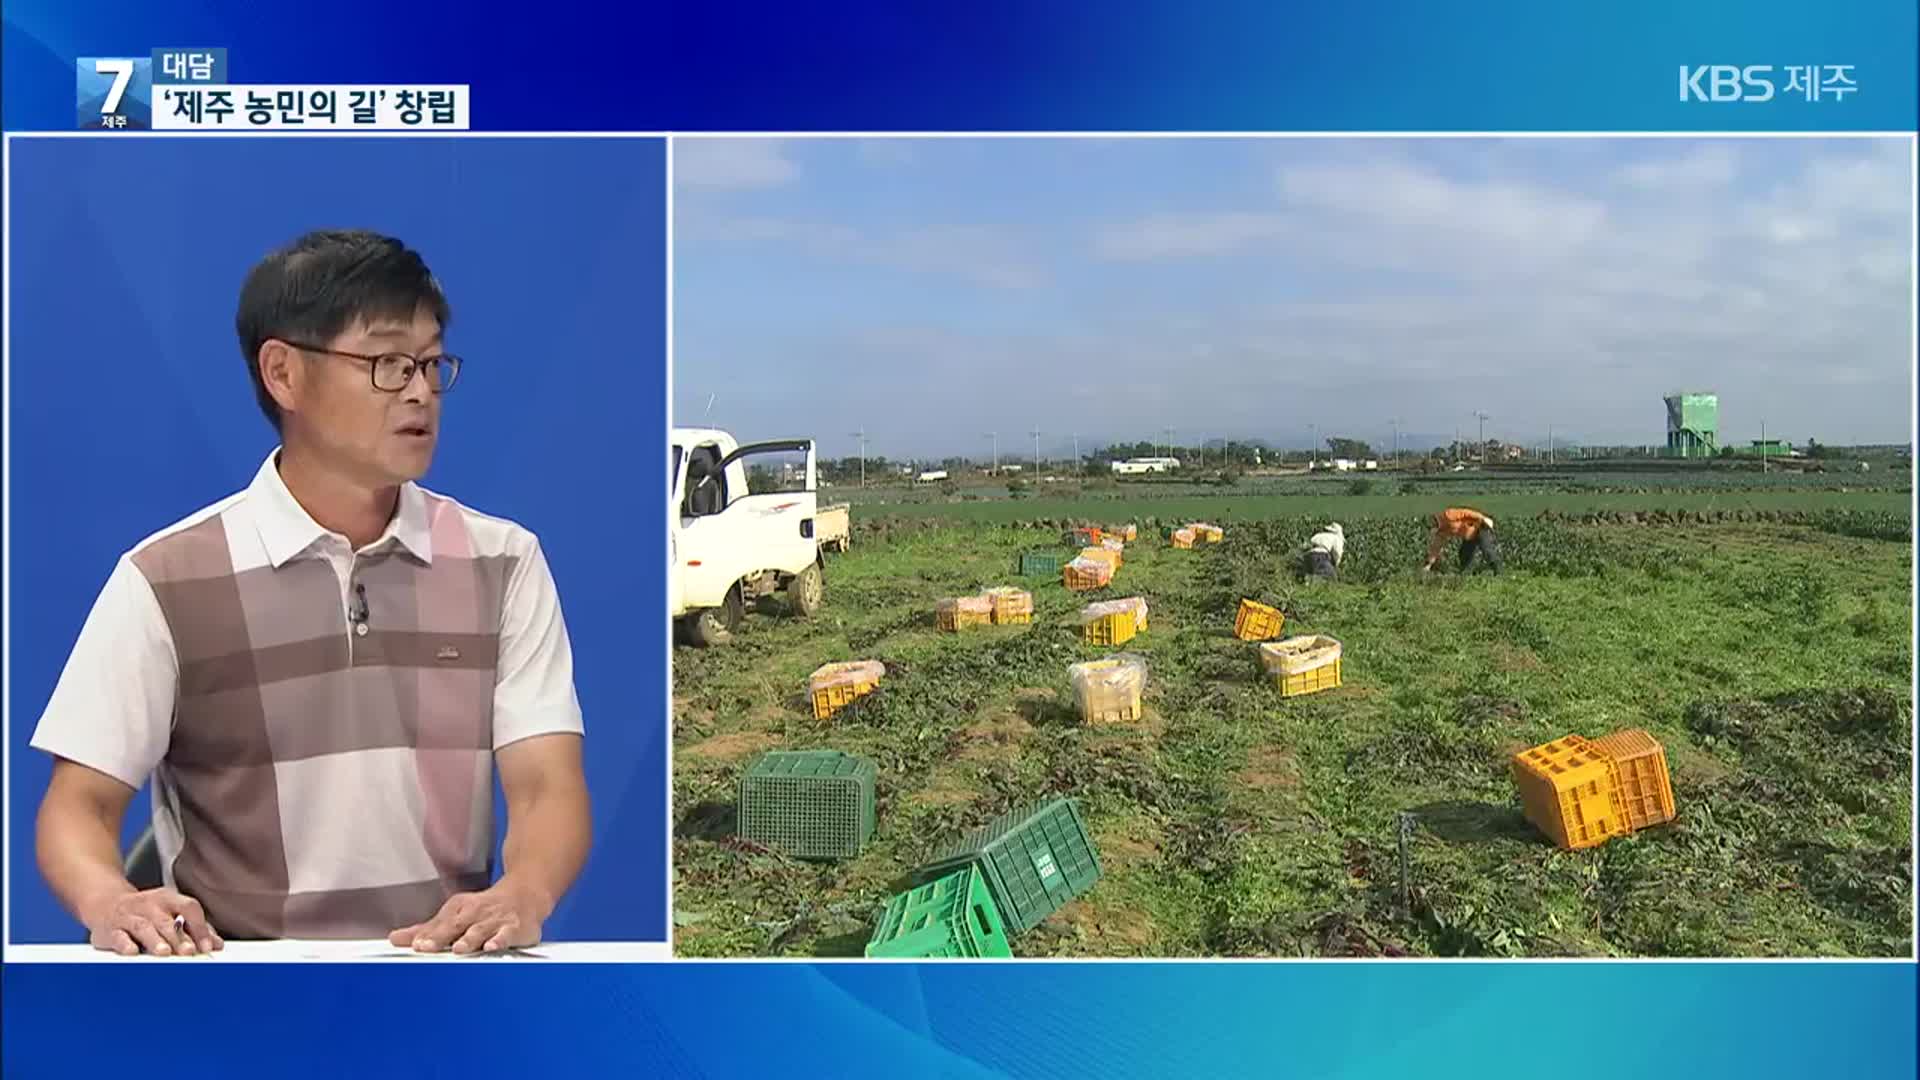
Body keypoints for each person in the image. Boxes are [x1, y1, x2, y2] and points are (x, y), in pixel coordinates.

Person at [30, 230, 592, 957]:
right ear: (283, 373)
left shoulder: (503, 562)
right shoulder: (165, 579)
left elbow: (549, 786)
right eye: (387, 363)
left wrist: (526, 892)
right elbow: (78, 806)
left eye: (429, 363)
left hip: (441, 975)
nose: (420, 389)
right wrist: (110, 900)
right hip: (238, 986)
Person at [1423, 507, 1502, 574]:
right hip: (1469, 536)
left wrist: (1482, 518)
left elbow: (1466, 513)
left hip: (1480, 528)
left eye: (1431, 527)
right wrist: (1428, 565)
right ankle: (1466, 575)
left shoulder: (1448, 515)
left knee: (1487, 550)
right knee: (1463, 554)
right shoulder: (1441, 532)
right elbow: (1436, 548)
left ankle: (1498, 571)